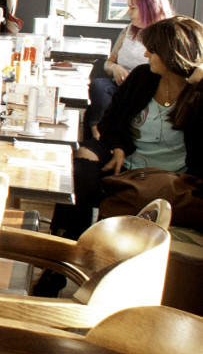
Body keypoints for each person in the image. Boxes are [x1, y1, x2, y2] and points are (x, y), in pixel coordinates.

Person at [46, 16, 203, 284]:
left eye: (152, 50)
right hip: (127, 165)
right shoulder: (142, 77)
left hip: (177, 181)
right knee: (78, 171)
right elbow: (109, 122)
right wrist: (118, 146)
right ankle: (61, 261)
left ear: (172, 54)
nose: (146, 54)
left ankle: (98, 267)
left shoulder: (199, 93)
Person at [88, 0, 174, 131]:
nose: (128, 12)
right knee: (99, 86)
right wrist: (115, 68)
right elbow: (109, 62)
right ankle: (98, 130)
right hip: (120, 86)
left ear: (150, 9)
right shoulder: (128, 30)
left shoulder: (166, 36)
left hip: (145, 89)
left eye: (133, 8)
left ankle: (111, 132)